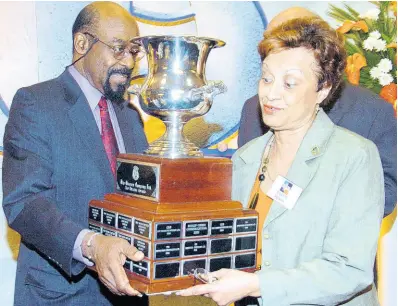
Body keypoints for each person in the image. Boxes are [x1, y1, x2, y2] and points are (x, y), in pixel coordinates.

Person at [179, 17, 384, 306]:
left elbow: (349, 270)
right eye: (266, 78)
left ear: (323, 90)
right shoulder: (246, 157)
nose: (271, 93)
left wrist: (256, 284)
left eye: (289, 83)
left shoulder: (354, 156)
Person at [2, 2, 149, 305]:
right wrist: (92, 246)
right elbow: (24, 202)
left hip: (129, 294)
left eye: (133, 51)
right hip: (61, 296)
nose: (129, 62)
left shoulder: (130, 115)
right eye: (118, 48)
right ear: (82, 43)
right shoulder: (36, 103)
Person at [238, 7, 396, 217]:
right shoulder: (253, 107)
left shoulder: (373, 112)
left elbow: (384, 195)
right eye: (273, 40)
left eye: (291, 38)